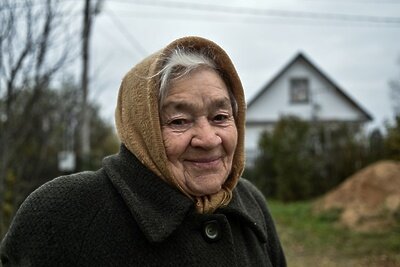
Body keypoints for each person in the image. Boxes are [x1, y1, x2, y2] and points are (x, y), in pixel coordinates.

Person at [0, 36, 286, 266]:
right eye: (179, 121)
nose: (209, 139)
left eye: (220, 117)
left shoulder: (249, 202)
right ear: (141, 130)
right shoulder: (63, 211)